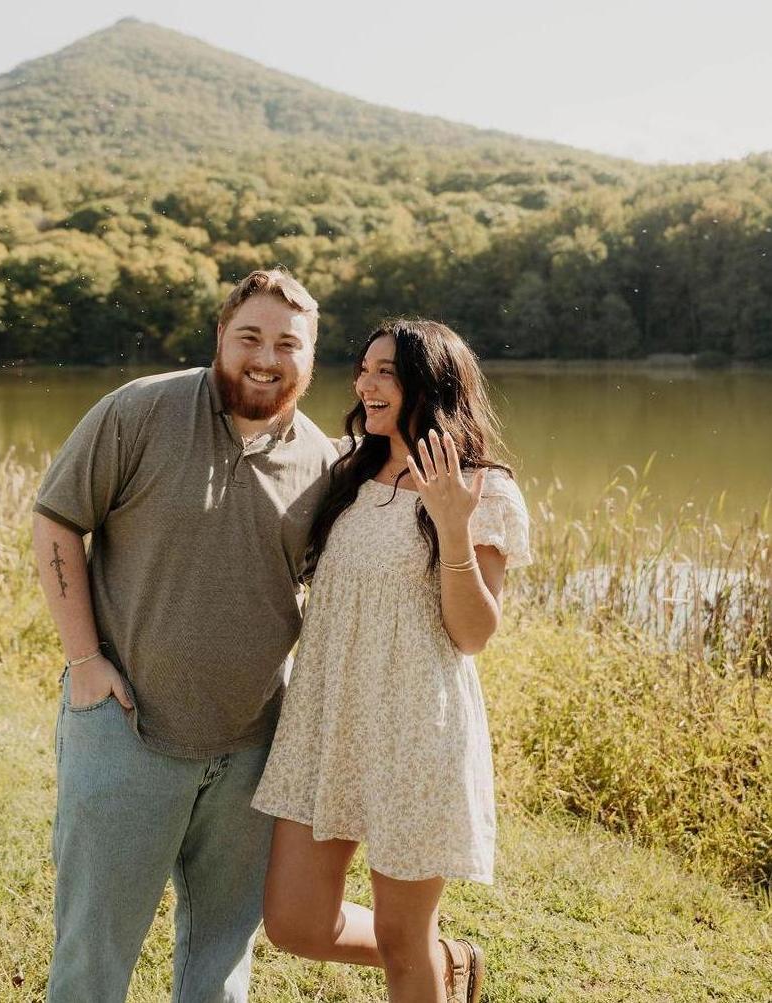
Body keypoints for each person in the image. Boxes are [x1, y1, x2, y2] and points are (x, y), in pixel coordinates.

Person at [31, 269, 337, 1003]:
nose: (266, 358)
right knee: (93, 956)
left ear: (309, 357)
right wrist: (84, 660)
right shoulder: (139, 410)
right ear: (220, 338)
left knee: (221, 962)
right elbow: (56, 521)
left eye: (287, 344)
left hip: (251, 749)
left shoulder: (324, 462)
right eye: (250, 338)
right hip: (125, 726)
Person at [251, 318, 532, 1003]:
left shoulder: (481, 489)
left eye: (386, 372)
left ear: (429, 385)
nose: (365, 384)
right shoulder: (345, 467)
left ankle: (426, 961)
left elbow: (472, 633)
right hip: (328, 721)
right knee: (293, 922)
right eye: (363, 369)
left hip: (415, 732)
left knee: (402, 940)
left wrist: (453, 528)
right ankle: (449, 959)